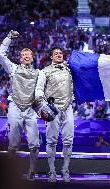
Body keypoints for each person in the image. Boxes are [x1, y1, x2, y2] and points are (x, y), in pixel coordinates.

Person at [0, 30, 40, 181]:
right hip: (15, 106)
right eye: (23, 55)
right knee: (13, 144)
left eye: (29, 55)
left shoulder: (39, 73)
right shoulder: (13, 69)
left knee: (34, 144)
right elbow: (0, 55)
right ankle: (8, 172)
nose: (26, 56)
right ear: (20, 58)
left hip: (30, 109)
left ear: (32, 58)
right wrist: (8, 38)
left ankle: (32, 171)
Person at [35, 47, 74, 182]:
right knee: (51, 140)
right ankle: (52, 171)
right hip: (52, 108)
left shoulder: (69, 69)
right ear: (51, 57)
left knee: (68, 140)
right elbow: (39, 89)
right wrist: (43, 106)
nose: (59, 55)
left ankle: (66, 170)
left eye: (60, 53)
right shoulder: (44, 71)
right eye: (56, 53)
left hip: (68, 107)